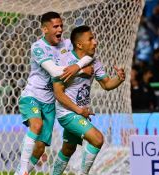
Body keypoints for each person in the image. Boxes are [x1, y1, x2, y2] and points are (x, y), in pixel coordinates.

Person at [15, 12, 94, 175]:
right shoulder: (38, 47)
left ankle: (19, 173)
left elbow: (88, 56)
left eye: (61, 26)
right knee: (36, 125)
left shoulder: (67, 44)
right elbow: (55, 71)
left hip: (50, 102)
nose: (60, 29)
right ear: (44, 29)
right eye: (55, 26)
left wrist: (79, 64)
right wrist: (78, 69)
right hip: (33, 96)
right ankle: (23, 170)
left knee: (40, 148)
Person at [51, 25, 125, 174]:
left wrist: (119, 79)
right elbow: (58, 93)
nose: (95, 42)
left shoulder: (95, 62)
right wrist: (78, 110)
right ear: (79, 44)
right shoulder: (63, 60)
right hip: (67, 112)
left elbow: (106, 84)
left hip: (79, 112)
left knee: (68, 148)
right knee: (97, 139)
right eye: (90, 39)